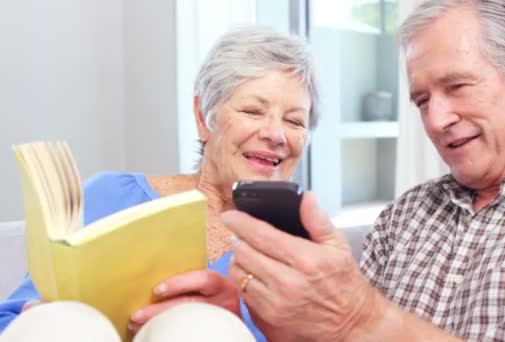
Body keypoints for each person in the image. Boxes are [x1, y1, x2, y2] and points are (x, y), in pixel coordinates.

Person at [223, 0, 505, 340]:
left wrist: (367, 319)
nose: (436, 120)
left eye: (457, 86)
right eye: (422, 100)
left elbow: (358, 324)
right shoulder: (404, 216)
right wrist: (256, 323)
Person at [0, 25, 319, 341]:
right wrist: (45, 317)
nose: (276, 135)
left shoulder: (308, 253)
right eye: (253, 110)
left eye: (294, 121)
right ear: (202, 117)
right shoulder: (107, 195)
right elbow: (9, 319)